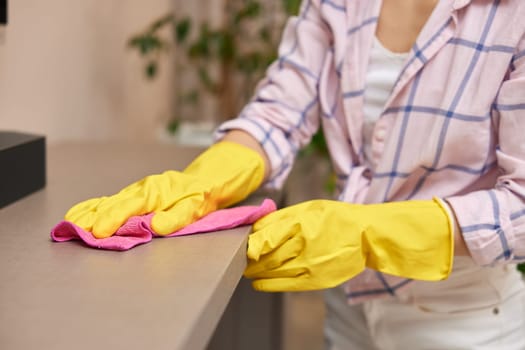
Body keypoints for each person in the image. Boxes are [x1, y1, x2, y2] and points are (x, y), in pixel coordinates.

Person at [65, 0, 525, 348]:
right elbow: (279, 113)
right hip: (350, 304)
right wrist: (201, 182)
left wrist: (367, 234)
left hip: (465, 319)